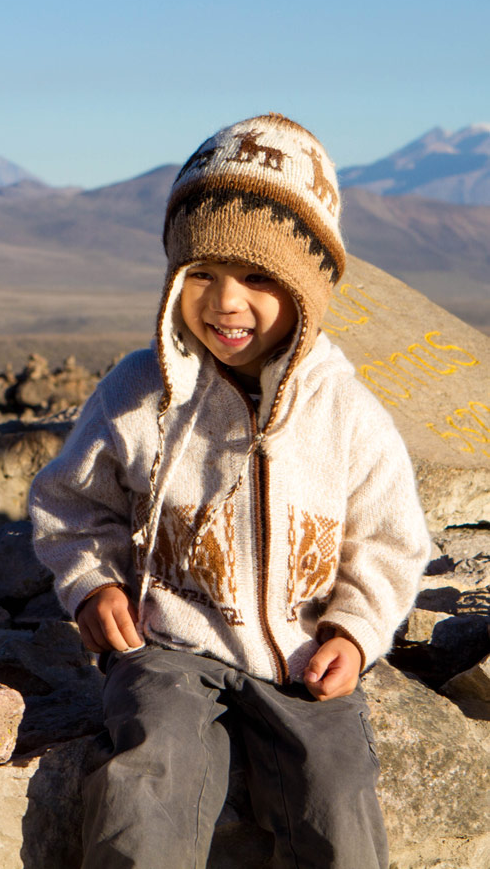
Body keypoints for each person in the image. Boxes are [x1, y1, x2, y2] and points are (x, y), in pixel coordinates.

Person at [28, 114, 429, 868]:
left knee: (337, 796)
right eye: (201, 274)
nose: (224, 302)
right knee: (145, 777)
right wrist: (90, 587)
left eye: (256, 277)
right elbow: (70, 505)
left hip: (302, 661)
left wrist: (352, 632)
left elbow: (389, 543)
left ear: (306, 287)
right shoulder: (136, 392)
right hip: (169, 643)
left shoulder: (345, 412)